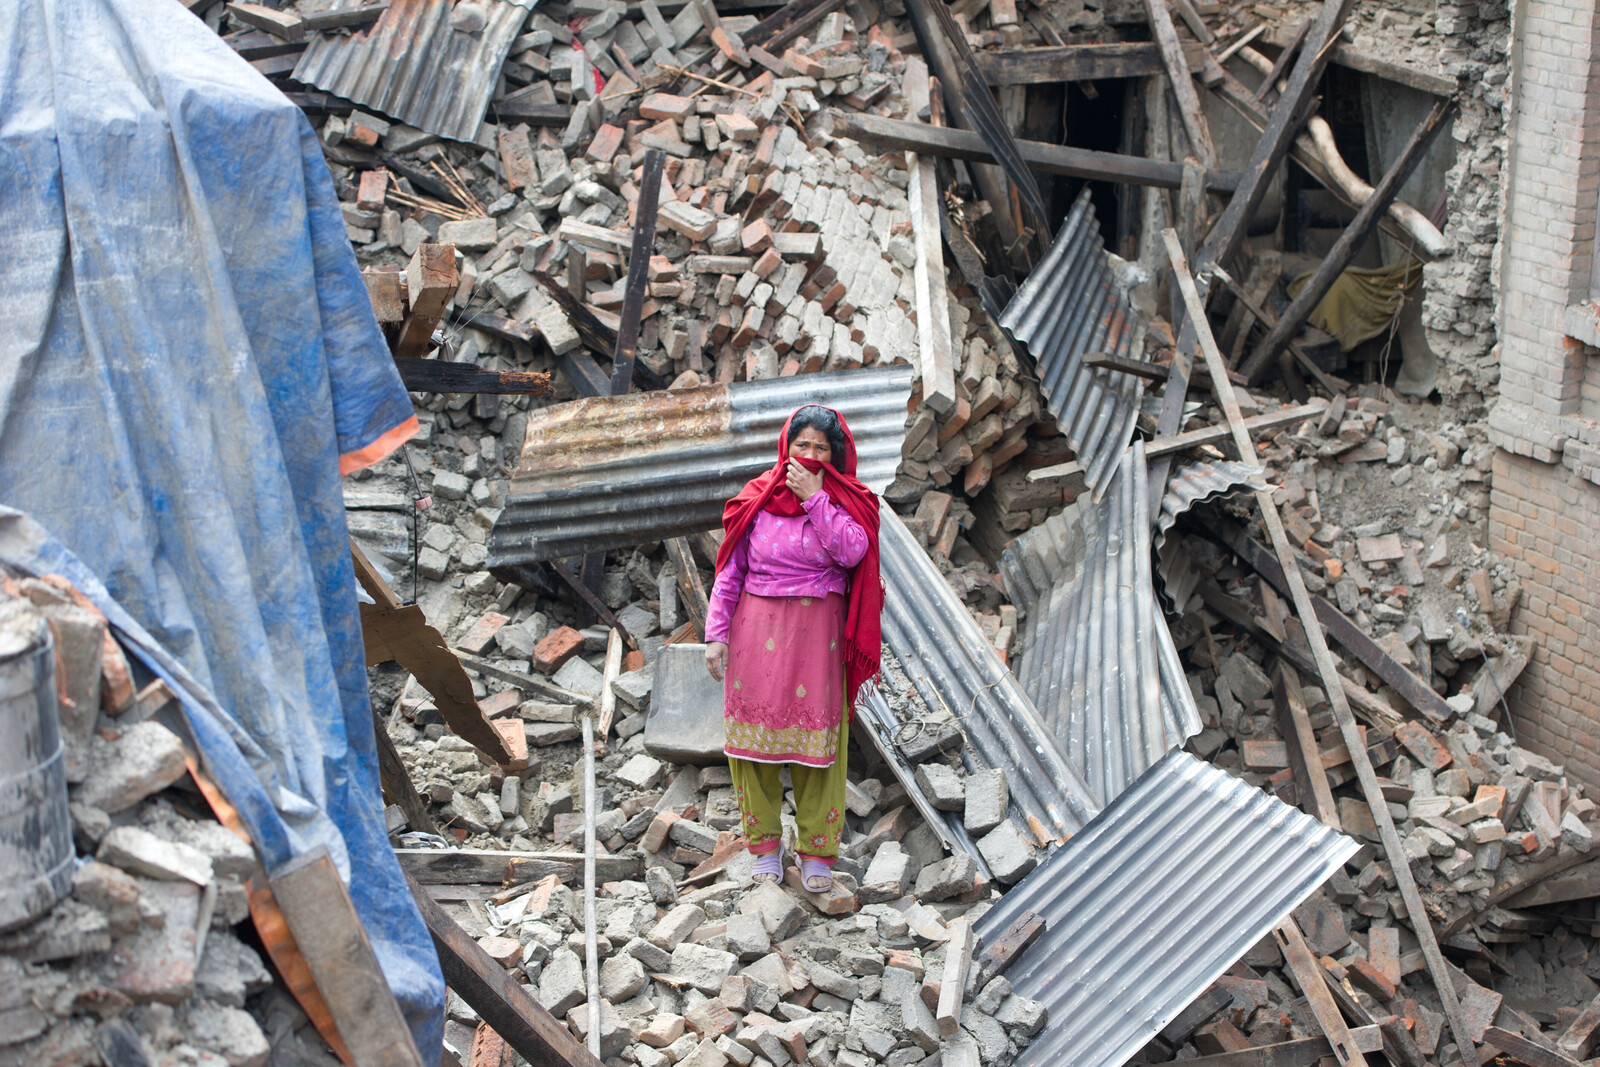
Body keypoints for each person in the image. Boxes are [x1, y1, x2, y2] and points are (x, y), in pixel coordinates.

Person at [703, 405, 883, 892]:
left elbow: (852, 552)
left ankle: (817, 854)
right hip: (754, 634)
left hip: (816, 638)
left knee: (817, 749)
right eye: (801, 445)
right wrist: (716, 635)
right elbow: (730, 572)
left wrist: (816, 500)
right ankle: (763, 846)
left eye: (821, 448)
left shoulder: (847, 500)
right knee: (754, 747)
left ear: (835, 455)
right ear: (786, 446)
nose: (809, 455)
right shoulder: (756, 498)